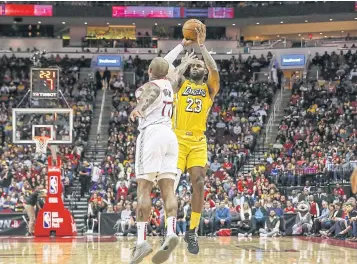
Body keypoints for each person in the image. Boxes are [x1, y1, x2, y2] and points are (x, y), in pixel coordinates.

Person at [128, 54, 196, 264]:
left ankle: (141, 241)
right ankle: (171, 232)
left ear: (149, 72)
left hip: (152, 134)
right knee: (168, 189)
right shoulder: (170, 85)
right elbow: (175, 77)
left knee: (144, 188)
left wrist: (139, 108)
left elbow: (150, 93)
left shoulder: (151, 85)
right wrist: (184, 63)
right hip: (170, 136)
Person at [164, 24, 220, 254]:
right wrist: (184, 61)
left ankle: (192, 232)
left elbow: (214, 69)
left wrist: (202, 47)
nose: (198, 65)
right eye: (194, 64)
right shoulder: (179, 85)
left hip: (198, 141)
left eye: (200, 65)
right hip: (177, 140)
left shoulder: (209, 88)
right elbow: (166, 69)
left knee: (199, 183)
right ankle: (169, 232)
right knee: (172, 186)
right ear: (188, 69)